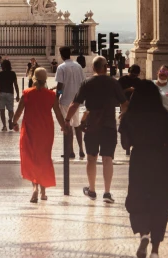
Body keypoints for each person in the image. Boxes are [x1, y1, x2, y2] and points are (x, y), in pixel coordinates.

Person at [119, 80, 168, 258]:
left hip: (139, 161)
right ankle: (155, 251)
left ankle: (144, 234)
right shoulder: (164, 115)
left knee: (138, 198)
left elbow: (125, 144)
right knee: (160, 203)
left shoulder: (130, 116)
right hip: (162, 162)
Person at [66, 55, 127, 204]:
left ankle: (92, 190)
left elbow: (75, 104)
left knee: (91, 158)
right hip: (109, 125)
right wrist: (122, 115)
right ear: (106, 67)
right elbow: (125, 103)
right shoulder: (113, 83)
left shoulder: (87, 83)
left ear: (93, 68)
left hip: (92, 125)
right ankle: (107, 192)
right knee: (107, 158)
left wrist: (67, 120)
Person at [12, 67, 67, 202]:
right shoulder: (51, 95)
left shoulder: (27, 93)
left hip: (30, 130)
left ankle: (35, 189)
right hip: (46, 131)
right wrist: (64, 127)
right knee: (44, 158)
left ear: (34, 78)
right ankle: (43, 192)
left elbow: (19, 111)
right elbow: (58, 113)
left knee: (32, 158)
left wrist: (14, 123)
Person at [55, 46, 85, 159]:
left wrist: (57, 96)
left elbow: (60, 85)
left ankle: (70, 151)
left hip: (65, 100)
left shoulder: (61, 67)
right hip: (77, 100)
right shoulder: (78, 66)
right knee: (76, 125)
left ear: (61, 55)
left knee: (67, 126)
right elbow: (83, 82)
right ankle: (81, 150)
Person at [0, 59, 20, 130]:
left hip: (2, 93)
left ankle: (4, 126)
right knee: (10, 109)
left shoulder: (0, 74)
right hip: (10, 93)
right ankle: (10, 119)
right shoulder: (12, 73)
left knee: (2, 110)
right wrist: (18, 95)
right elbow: (16, 85)